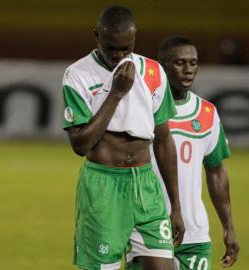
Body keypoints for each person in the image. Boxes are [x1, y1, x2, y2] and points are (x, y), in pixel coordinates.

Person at [62, 5, 185, 270]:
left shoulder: (153, 73)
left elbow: (163, 141)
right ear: (96, 36)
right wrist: (116, 92)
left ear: (135, 38)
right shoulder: (78, 75)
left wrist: (176, 205)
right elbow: (80, 144)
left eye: (125, 48)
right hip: (103, 185)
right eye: (111, 48)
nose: (118, 55)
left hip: (145, 185)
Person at [126, 36, 240, 269]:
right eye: (179, 63)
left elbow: (216, 171)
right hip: (147, 226)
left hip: (195, 233)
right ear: (162, 66)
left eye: (193, 63)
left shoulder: (207, 112)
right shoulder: (142, 111)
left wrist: (228, 226)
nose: (188, 70)